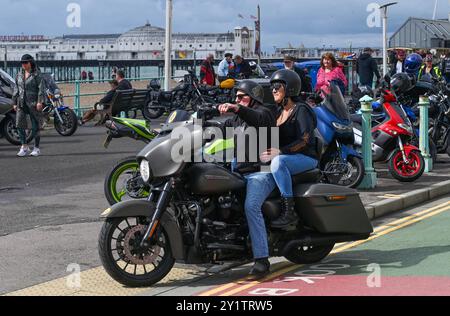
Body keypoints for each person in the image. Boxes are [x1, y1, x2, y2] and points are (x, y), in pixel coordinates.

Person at [218, 80, 277, 276]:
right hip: (239, 173)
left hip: (262, 173)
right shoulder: (236, 120)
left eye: (241, 97)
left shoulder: (265, 112)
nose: (237, 100)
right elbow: (219, 128)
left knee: (251, 206)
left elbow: (258, 119)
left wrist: (236, 108)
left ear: (253, 98)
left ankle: (261, 259)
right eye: (235, 97)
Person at [261, 69, 319, 228]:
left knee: (278, 163)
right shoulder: (279, 111)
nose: (273, 90)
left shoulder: (301, 109)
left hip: (306, 157)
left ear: (290, 88)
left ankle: (289, 211)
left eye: (277, 86)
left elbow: (304, 140)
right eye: (272, 87)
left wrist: (280, 152)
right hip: (287, 157)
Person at [12, 54, 45, 157]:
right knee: (19, 124)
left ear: (30, 63)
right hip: (21, 103)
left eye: (25, 62)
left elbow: (41, 89)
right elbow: (16, 89)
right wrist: (14, 102)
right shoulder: (19, 75)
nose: (23, 64)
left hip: (34, 103)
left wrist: (40, 101)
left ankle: (36, 148)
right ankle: (24, 146)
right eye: (22, 63)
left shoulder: (37, 74)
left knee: (35, 126)